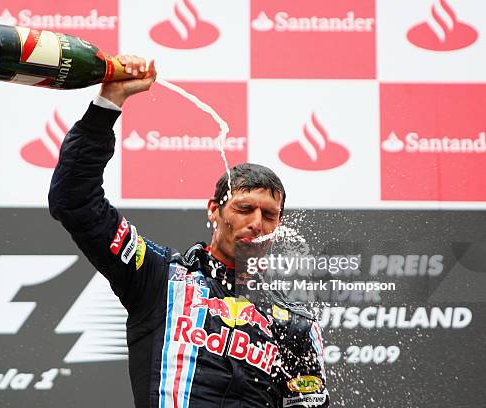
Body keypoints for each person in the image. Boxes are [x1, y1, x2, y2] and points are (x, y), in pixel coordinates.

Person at [49, 55, 329, 407]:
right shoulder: (157, 276)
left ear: (280, 225)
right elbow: (74, 200)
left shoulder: (294, 324)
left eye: (269, 215)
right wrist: (108, 103)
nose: (256, 223)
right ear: (214, 211)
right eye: (244, 208)